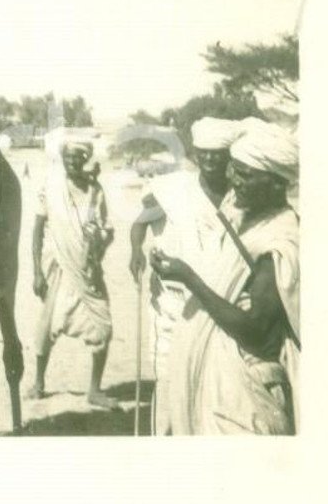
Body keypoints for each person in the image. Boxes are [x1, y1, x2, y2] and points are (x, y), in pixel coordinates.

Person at [151, 118, 299, 434]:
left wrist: (190, 279)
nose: (233, 180)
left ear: (275, 184)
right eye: (233, 169)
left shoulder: (278, 240)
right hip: (218, 379)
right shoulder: (243, 214)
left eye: (244, 174)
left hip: (244, 387)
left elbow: (257, 331)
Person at [128, 117, 243, 434]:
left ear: (229, 155)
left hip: (221, 306)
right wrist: (136, 250)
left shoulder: (241, 194)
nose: (209, 159)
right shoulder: (174, 190)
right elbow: (140, 224)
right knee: (168, 388)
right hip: (175, 309)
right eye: (203, 152)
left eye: (217, 153)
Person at [26, 132, 118, 409]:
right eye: (67, 158)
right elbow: (37, 229)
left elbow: (106, 230)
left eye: (77, 158)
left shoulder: (96, 192)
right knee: (46, 328)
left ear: (85, 159)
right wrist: (37, 272)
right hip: (57, 268)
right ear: (62, 159)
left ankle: (94, 390)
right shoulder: (51, 188)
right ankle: (38, 383)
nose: (72, 163)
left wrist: (99, 237)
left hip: (87, 269)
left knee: (103, 327)